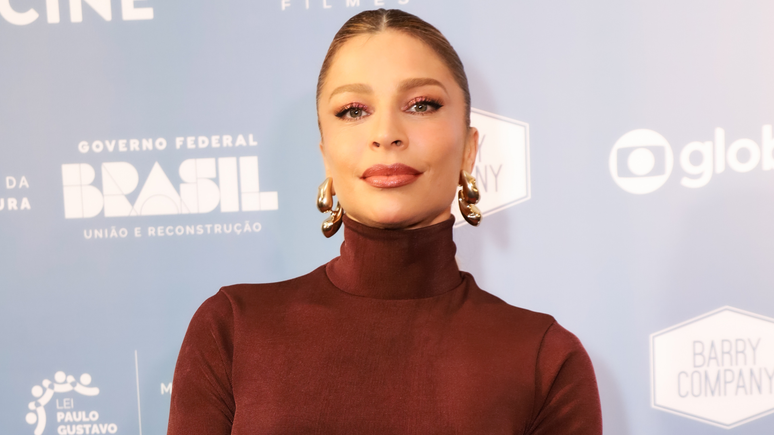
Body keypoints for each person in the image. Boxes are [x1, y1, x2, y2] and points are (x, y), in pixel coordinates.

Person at [168, 8, 602, 434]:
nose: (386, 133)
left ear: (469, 150)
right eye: (354, 110)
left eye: (421, 104)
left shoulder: (545, 360)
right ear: (325, 155)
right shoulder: (231, 330)